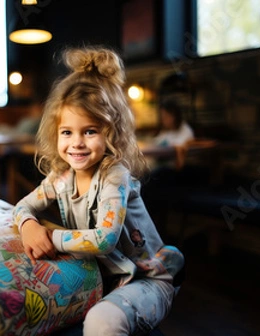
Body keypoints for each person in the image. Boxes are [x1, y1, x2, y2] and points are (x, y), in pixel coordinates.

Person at [12, 46, 184, 336]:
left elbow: (104, 240)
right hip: (104, 277)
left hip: (148, 279)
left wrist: (50, 236)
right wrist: (28, 225)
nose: (76, 143)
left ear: (111, 132)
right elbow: (22, 207)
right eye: (67, 132)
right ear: (56, 134)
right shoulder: (62, 177)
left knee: (101, 322)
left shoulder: (114, 177)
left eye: (89, 131)